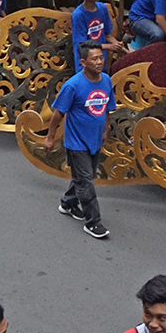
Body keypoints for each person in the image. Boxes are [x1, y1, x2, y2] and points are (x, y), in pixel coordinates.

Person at [43, 42, 116, 239]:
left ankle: (68, 203)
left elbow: (108, 106)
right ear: (83, 62)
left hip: (94, 140)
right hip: (76, 142)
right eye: (94, 59)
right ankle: (93, 222)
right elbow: (58, 114)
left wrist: (105, 129)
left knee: (86, 177)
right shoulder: (73, 86)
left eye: (101, 57)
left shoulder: (107, 81)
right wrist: (50, 138)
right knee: (86, 181)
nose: (99, 62)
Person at [71, 0, 124, 72]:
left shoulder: (102, 8)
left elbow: (107, 35)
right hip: (86, 63)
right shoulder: (78, 15)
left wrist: (117, 44)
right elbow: (82, 44)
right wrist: (107, 46)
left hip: (101, 60)